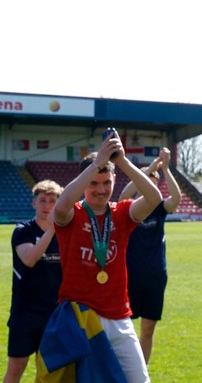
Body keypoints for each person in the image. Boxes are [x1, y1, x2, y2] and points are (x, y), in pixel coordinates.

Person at [50, 131, 164, 383]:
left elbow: (154, 198)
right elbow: (61, 206)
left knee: (140, 380)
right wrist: (97, 163)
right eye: (94, 183)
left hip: (119, 317)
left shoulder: (121, 213)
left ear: (114, 181)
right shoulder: (73, 214)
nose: (101, 190)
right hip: (81, 318)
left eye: (107, 183)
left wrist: (121, 161)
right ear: (84, 182)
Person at [119, 150, 183, 363]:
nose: (150, 186)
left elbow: (176, 198)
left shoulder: (160, 208)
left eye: (154, 183)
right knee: (124, 327)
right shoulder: (130, 209)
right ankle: (126, 369)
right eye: (146, 182)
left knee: (148, 329)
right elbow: (123, 196)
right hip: (130, 273)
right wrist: (151, 168)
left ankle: (142, 372)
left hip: (155, 274)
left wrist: (165, 169)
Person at [3, 180, 65, 383]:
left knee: (48, 370)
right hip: (25, 312)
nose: (47, 206)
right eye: (43, 200)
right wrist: (51, 231)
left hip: (53, 313)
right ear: (34, 203)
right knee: (16, 368)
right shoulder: (23, 231)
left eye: (52, 201)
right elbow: (29, 259)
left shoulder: (65, 234)